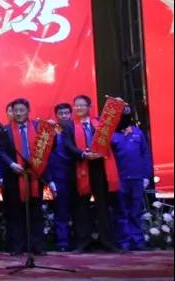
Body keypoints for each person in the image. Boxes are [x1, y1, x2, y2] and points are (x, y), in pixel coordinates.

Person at [63, 95, 121, 253]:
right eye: (76, 105)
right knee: (81, 207)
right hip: (80, 168)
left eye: (82, 105)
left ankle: (108, 242)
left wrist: (119, 106)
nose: (78, 108)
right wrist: (83, 154)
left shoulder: (99, 123)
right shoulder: (69, 126)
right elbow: (67, 145)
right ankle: (83, 243)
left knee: (103, 206)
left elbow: (113, 133)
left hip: (99, 168)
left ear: (89, 107)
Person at [0, 98, 49, 255]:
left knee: (35, 213)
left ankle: (37, 246)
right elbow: (1, 151)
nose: (18, 113)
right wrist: (12, 164)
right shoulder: (5, 131)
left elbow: (47, 148)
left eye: (22, 110)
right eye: (16, 111)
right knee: (15, 214)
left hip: (34, 176)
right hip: (14, 176)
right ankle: (17, 247)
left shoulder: (38, 128)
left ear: (28, 111)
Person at [111, 119, 153, 251]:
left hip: (137, 178)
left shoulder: (137, 133)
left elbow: (145, 154)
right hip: (120, 179)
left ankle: (138, 241)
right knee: (121, 211)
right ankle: (124, 242)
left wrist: (146, 175)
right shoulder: (112, 134)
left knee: (136, 211)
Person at [47, 102, 75, 251]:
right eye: (61, 113)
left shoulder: (77, 129)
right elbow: (47, 157)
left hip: (77, 176)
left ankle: (80, 241)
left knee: (79, 210)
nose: (64, 116)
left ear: (71, 114)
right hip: (59, 177)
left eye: (66, 113)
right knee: (61, 211)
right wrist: (50, 179)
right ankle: (63, 242)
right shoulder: (52, 132)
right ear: (56, 116)